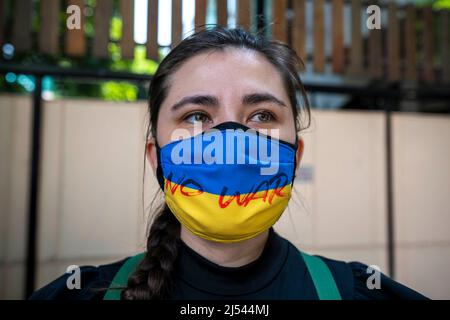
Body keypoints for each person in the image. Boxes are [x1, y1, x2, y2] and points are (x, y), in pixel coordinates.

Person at [30, 27, 428, 300]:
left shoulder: (358, 292)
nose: (231, 139)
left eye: (261, 116)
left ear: (295, 156)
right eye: (197, 116)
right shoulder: (78, 294)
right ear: (157, 160)